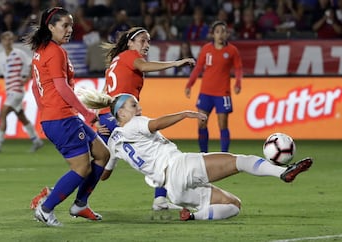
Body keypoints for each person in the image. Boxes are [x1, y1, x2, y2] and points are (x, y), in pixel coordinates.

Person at [81, 92, 313, 221]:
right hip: (180, 166)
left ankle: (193, 217)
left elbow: (104, 176)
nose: (139, 109)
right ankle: (283, 172)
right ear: (121, 113)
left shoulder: (113, 143)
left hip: (174, 191)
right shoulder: (134, 123)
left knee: (234, 204)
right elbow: (155, 124)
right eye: (134, 105)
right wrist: (184, 113)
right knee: (240, 161)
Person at [24, 7, 110, 227]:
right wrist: (88, 114)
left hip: (60, 116)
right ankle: (45, 208)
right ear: (50, 27)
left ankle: (80, 204)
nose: (70, 29)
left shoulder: (42, 49)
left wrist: (45, 109)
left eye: (72, 25)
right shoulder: (55, 51)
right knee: (82, 168)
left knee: (102, 154)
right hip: (62, 118)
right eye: (65, 25)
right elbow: (62, 87)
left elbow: (36, 86)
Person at [99, 26, 196, 211]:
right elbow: (143, 66)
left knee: (100, 170)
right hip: (123, 118)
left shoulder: (116, 61)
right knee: (163, 149)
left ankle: (70, 198)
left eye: (149, 41)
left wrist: (96, 119)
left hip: (109, 117)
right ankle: (160, 199)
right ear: (130, 42)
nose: (147, 44)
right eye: (142, 40)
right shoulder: (130, 56)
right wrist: (175, 64)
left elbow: (105, 93)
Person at [185, 21, 243, 153]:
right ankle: (203, 154)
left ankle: (224, 154)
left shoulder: (232, 50)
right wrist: (190, 84)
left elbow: (238, 68)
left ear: (227, 34)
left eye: (223, 31)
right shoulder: (206, 49)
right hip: (206, 92)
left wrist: (238, 83)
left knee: (222, 124)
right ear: (213, 34)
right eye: (218, 32)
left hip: (223, 93)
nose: (221, 35)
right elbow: (198, 67)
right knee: (201, 123)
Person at [0, 31, 44, 153]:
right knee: (22, 117)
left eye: (10, 39)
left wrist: (27, 79)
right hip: (10, 91)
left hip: (17, 90)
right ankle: (37, 141)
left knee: (3, 113)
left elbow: (32, 65)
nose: (8, 41)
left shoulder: (19, 53)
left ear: (12, 41)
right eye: (5, 39)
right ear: (2, 41)